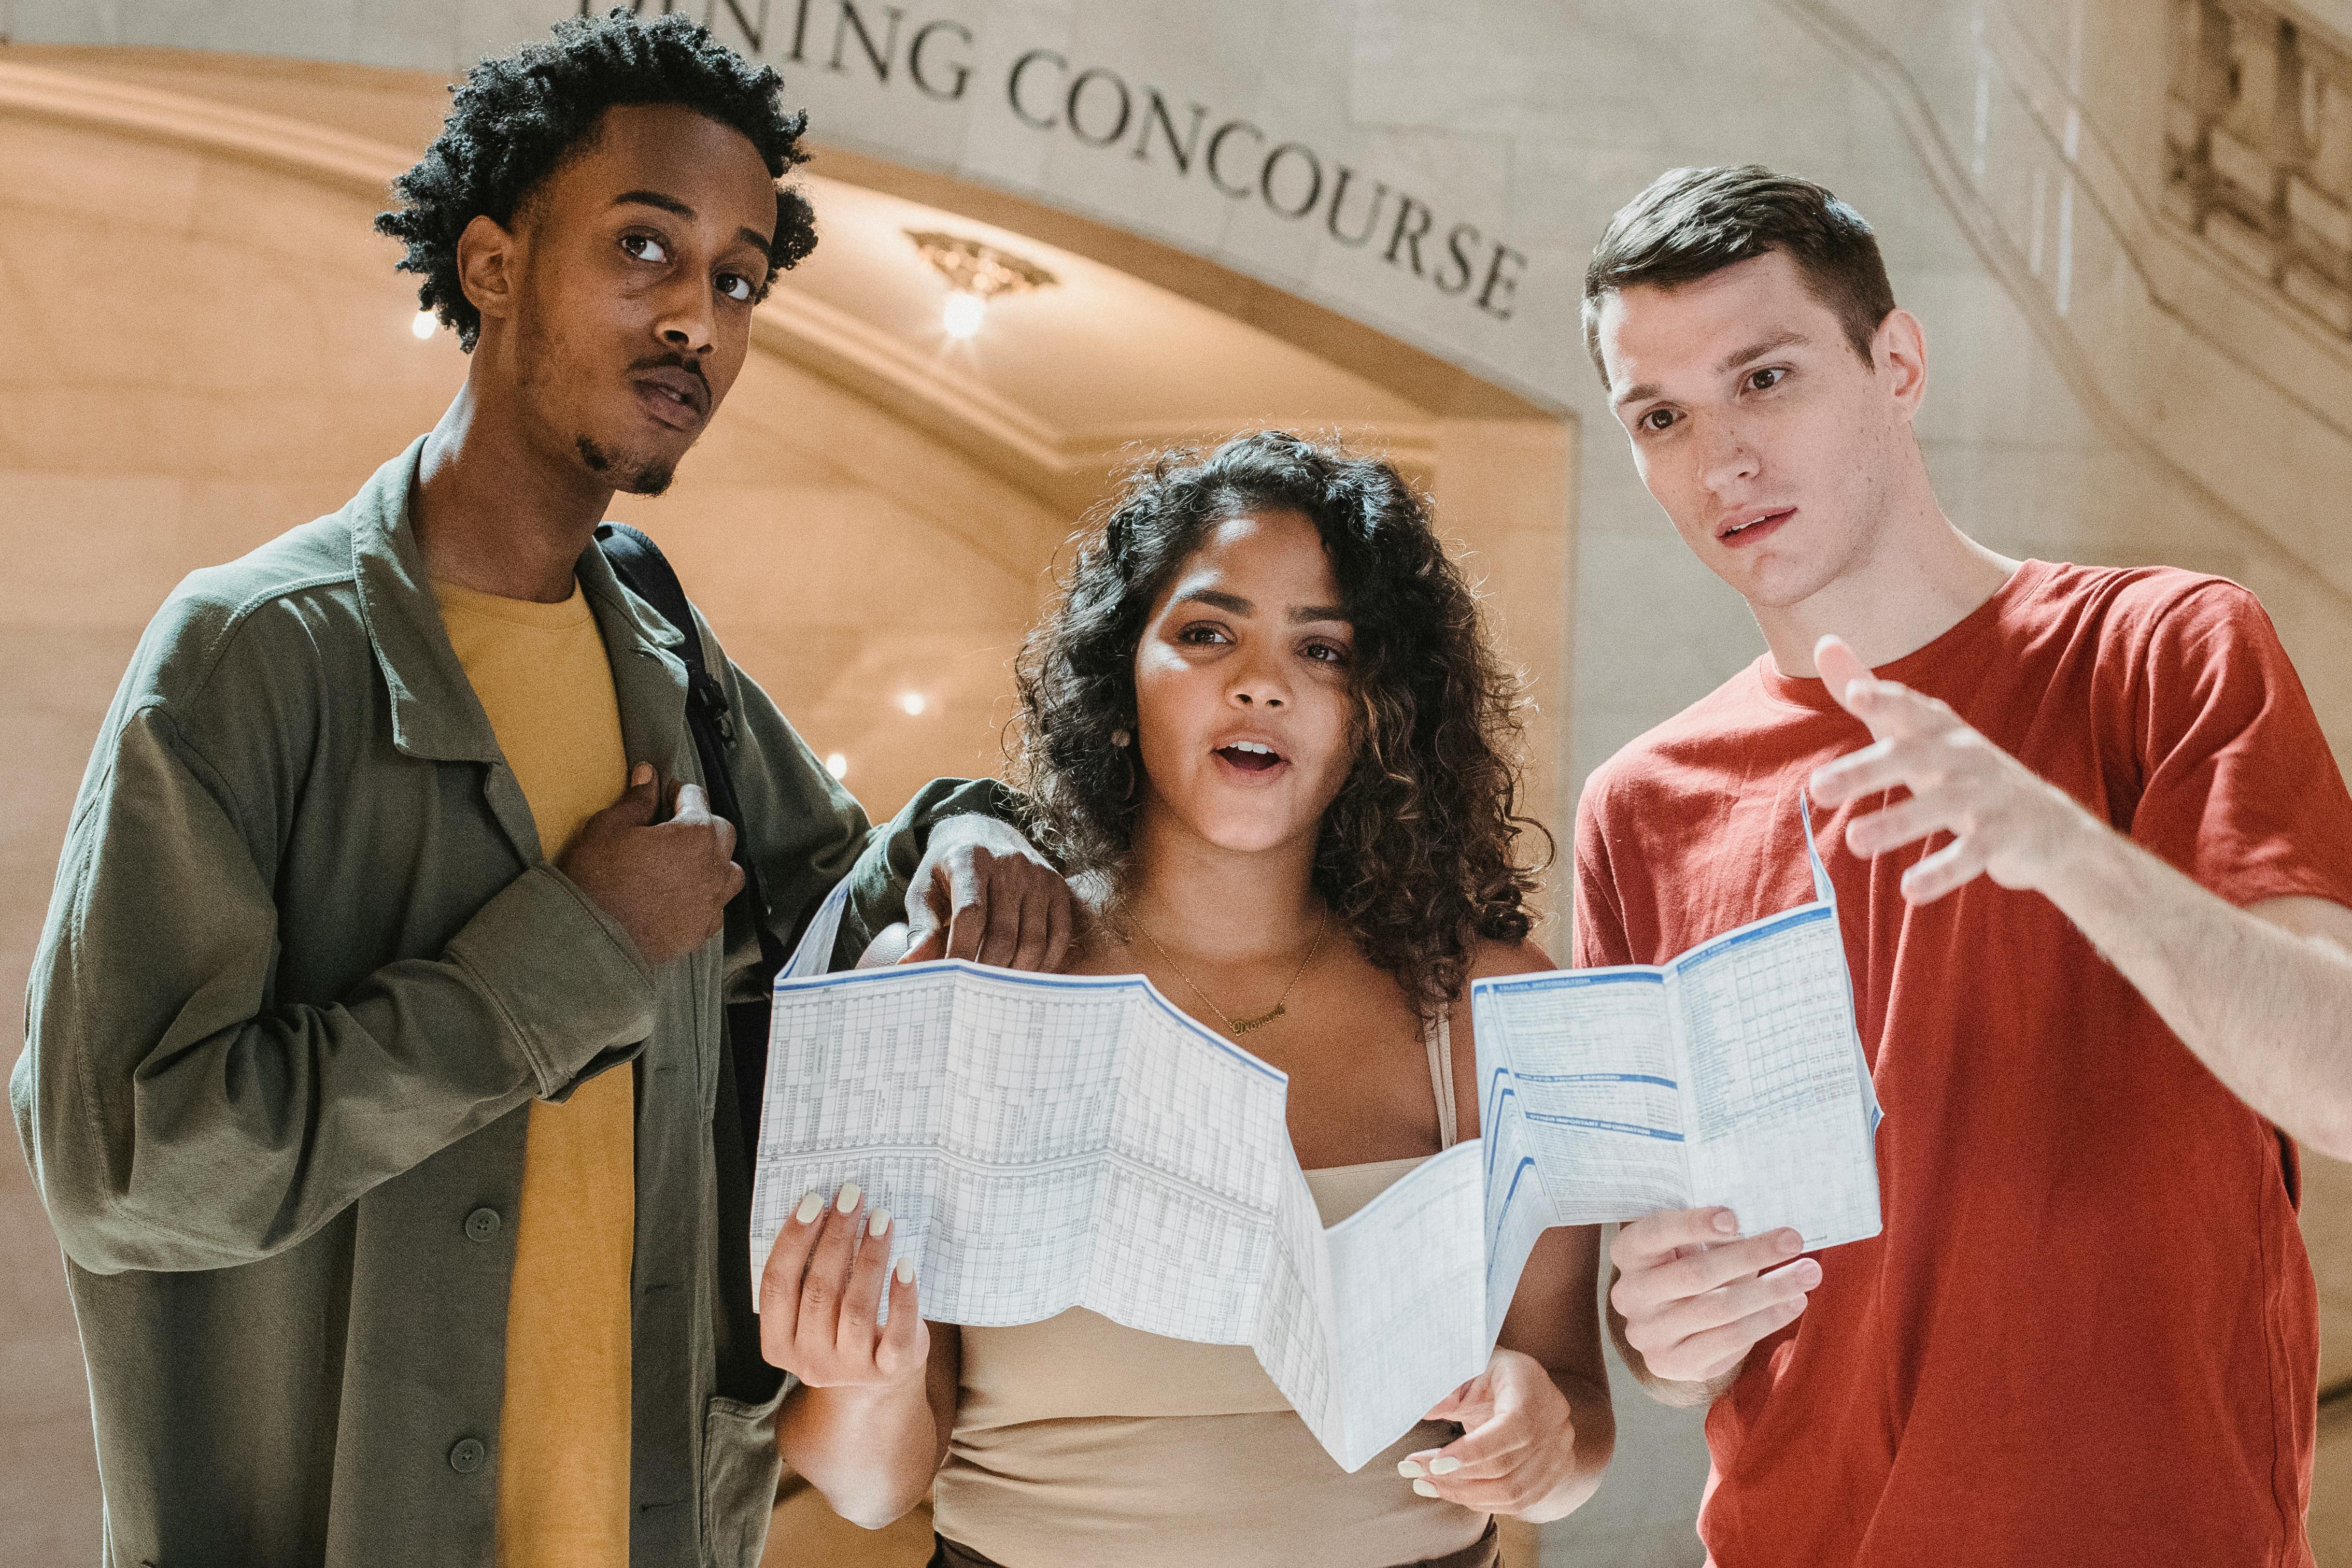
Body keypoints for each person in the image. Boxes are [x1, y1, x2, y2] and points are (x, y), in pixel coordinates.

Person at [11, 14, 1070, 1567]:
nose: (699, 318)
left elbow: (834, 907)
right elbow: (122, 1169)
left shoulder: (660, 650)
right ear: (494, 265)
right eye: (645, 246)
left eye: (739, 277)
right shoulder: (253, 657)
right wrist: (565, 954)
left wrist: (970, 823)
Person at [1578, 164, 2352, 1566]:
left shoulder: (2164, 651)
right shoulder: (1640, 807)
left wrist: (2061, 844)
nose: (1720, 460)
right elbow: (1676, 1332)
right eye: (1662, 416)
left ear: (1897, 365)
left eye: (1765, 378)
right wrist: (1666, 1333)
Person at [754, 432, 1617, 1565]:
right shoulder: (959, 984)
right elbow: (872, 1487)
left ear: (1379, 712)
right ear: (1123, 676)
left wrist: (1542, 1440)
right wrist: (853, 1382)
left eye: (1323, 649)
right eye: (1208, 634)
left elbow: (1575, 1412)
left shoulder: (1490, 1008)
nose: (1261, 681)